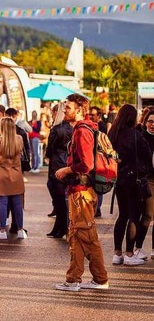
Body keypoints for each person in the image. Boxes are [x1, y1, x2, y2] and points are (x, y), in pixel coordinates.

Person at [54, 93, 109, 291]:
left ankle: (94, 279)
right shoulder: (85, 128)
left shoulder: (81, 131)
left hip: (81, 191)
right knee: (78, 235)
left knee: (86, 235)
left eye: (67, 107)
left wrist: (66, 169)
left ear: (79, 109)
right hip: (81, 190)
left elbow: (86, 164)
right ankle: (76, 279)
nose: (64, 109)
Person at [107, 104, 152, 266]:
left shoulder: (113, 134)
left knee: (122, 215)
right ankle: (129, 253)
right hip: (134, 180)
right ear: (132, 117)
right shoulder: (135, 135)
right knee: (134, 216)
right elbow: (147, 155)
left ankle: (117, 253)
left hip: (119, 179)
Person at [0, 117, 26, 239]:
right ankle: (20, 230)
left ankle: (2, 230)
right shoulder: (19, 139)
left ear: (3, 128)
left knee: (2, 203)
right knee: (17, 203)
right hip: (16, 174)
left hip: (1, 174)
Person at [44, 102, 72, 239]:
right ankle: (62, 228)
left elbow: (49, 150)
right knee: (65, 199)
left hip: (57, 164)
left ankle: (61, 228)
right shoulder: (72, 128)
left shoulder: (56, 129)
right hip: (68, 163)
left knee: (60, 199)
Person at [139, 107, 154, 259]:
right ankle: (137, 248)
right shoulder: (141, 138)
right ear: (145, 122)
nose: (153, 124)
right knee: (148, 215)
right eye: (150, 121)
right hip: (147, 179)